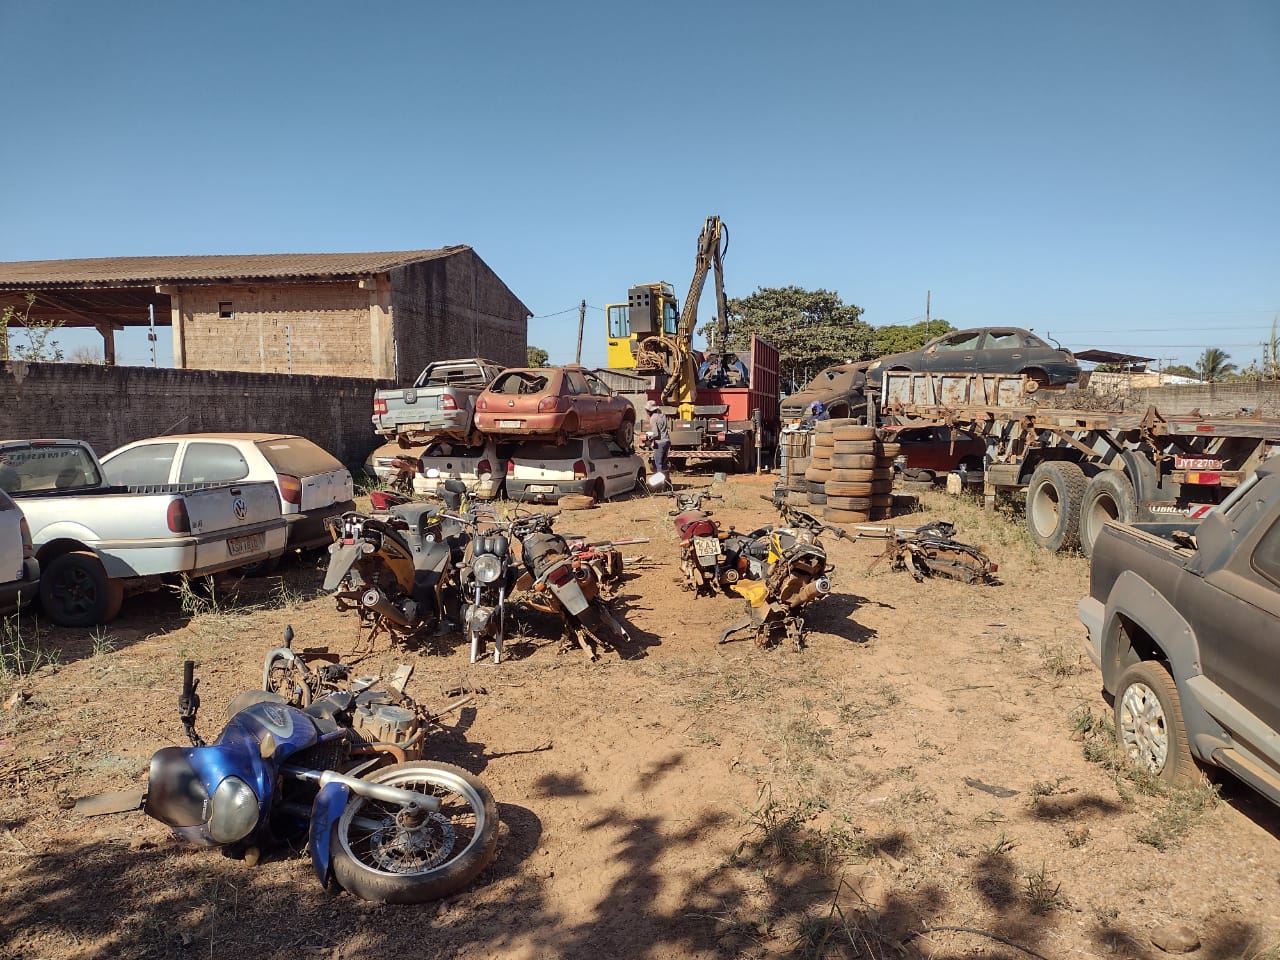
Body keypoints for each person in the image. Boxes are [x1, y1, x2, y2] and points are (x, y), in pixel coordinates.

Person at [644, 399, 670, 479]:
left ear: (649, 410)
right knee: (664, 464)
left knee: (659, 465)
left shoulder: (653, 418)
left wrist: (648, 438)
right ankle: (667, 483)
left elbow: (656, 434)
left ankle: (661, 485)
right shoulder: (662, 414)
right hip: (667, 441)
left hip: (660, 443)